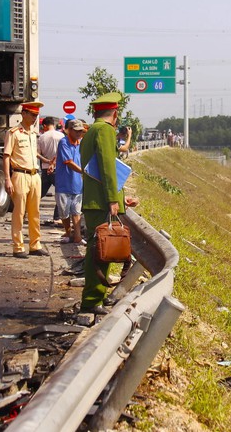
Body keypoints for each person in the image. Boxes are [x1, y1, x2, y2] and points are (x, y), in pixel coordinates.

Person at [79, 93, 138, 314]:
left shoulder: (92, 130)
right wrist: (113, 198)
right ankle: (92, 300)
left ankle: (96, 297)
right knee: (100, 251)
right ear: (114, 114)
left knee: (100, 250)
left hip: (96, 199)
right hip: (101, 201)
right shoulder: (104, 131)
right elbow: (106, 167)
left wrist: (121, 197)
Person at [3, 101, 49, 258]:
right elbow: (7, 156)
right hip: (20, 175)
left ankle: (35, 245)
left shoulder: (33, 134)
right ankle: (18, 247)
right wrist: (7, 179)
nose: (35, 118)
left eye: (37, 115)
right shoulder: (14, 133)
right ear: (24, 114)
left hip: (35, 175)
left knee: (35, 212)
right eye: (33, 115)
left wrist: (46, 161)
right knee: (19, 213)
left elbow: (33, 153)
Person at [55, 118, 86, 244]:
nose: (79, 134)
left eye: (81, 131)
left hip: (77, 184)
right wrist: (84, 172)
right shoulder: (64, 143)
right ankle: (68, 233)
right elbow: (69, 162)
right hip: (64, 183)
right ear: (70, 130)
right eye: (77, 131)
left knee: (76, 211)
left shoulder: (80, 144)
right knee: (64, 213)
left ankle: (77, 236)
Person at [37, 115, 64, 222]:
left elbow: (37, 154)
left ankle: (26, 211)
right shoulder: (61, 136)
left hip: (45, 168)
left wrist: (47, 161)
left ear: (44, 126)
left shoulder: (42, 137)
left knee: (39, 193)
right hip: (58, 169)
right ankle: (57, 217)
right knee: (61, 193)